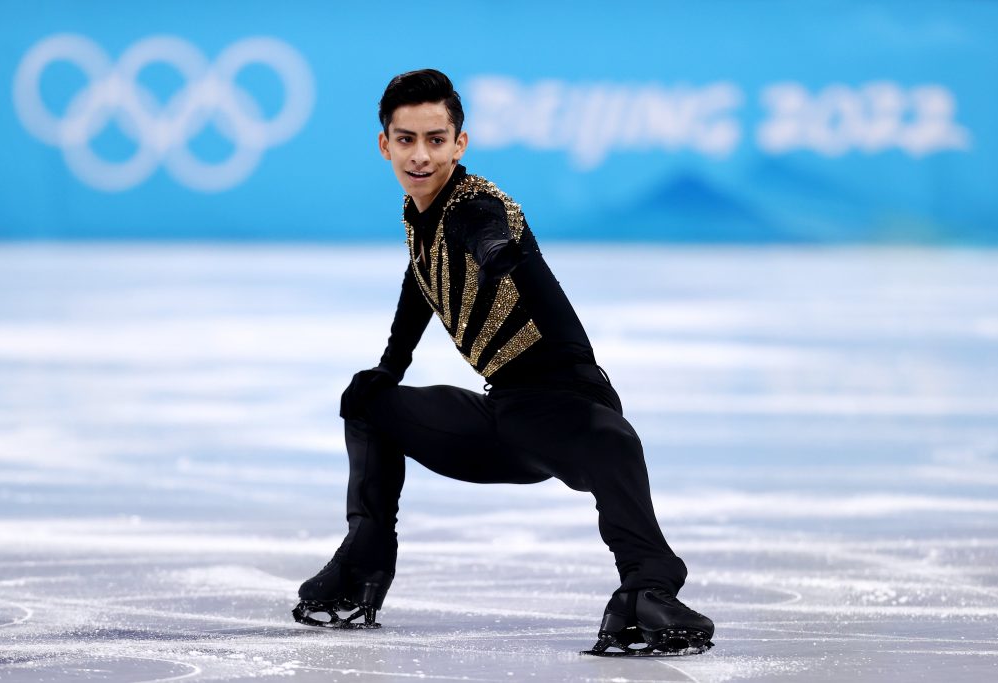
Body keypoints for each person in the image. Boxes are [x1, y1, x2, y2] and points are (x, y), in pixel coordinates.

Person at [292, 69, 714, 656]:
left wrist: (495, 254)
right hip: (503, 418)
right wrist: (390, 367)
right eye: (406, 139)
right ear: (384, 144)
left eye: (436, 139)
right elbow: (421, 281)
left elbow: (486, 235)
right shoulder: (420, 216)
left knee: (615, 444)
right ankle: (363, 563)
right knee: (366, 401)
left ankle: (648, 590)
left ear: (459, 143)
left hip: (561, 405)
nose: (420, 155)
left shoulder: (475, 205)